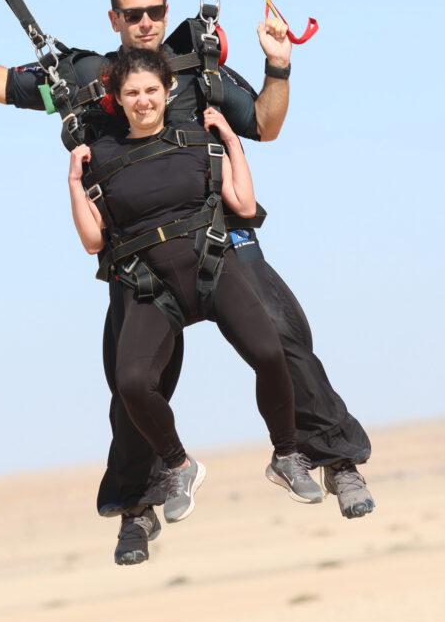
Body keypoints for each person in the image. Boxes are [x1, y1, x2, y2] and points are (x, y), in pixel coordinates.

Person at [0, 0, 374, 565]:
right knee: (130, 384)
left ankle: (332, 461)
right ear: (114, 19)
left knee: (284, 336)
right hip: (140, 259)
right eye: (134, 14)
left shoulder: (194, 66)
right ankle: (138, 505)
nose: (147, 23)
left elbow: (267, 124)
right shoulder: (85, 78)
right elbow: (3, 84)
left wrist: (278, 63)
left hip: (217, 241)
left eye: (155, 11)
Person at [69, 48, 325, 560]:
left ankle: (288, 455)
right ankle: (178, 465)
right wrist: (75, 182)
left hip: (211, 269)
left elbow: (245, 207)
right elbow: (94, 241)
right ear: (118, 101)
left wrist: (230, 137)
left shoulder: (200, 141)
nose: (143, 101)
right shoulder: (104, 156)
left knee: (271, 351)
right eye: (132, 94)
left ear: (166, 92)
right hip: (150, 285)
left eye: (151, 91)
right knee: (132, 383)